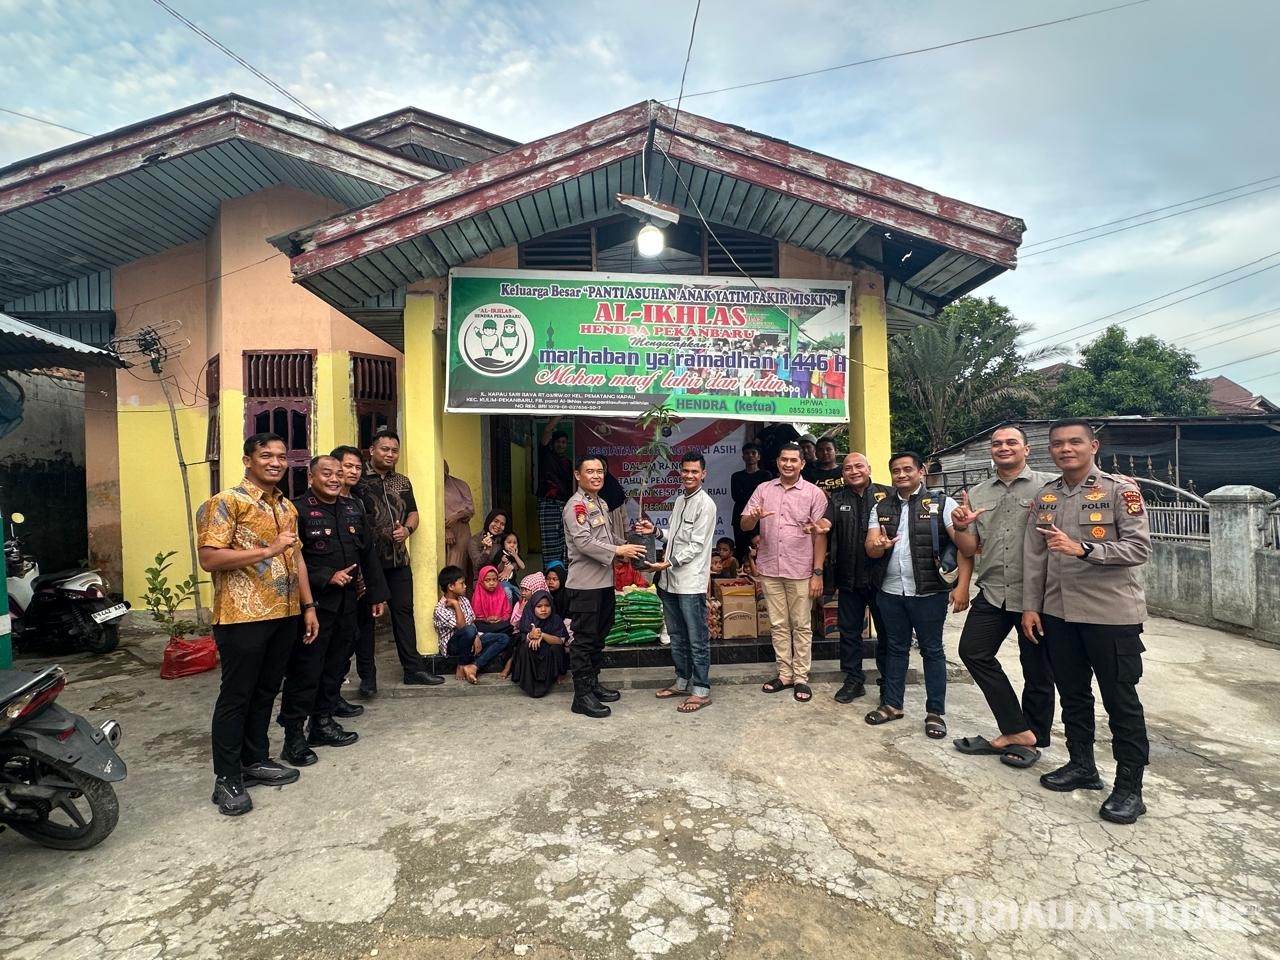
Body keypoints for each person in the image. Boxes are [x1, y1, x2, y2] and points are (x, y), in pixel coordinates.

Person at [1022, 419, 1152, 824]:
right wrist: (1031, 606)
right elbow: (1035, 557)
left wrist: (1084, 549)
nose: (1066, 449)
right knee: (1073, 694)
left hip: (1110, 615)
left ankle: (1130, 787)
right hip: (1059, 614)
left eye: (1074, 442)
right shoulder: (1046, 497)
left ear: (1092, 445)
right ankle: (1083, 765)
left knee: (1121, 701)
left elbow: (1138, 547)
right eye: (1058, 443)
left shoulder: (1120, 490)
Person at [196, 433, 319, 816]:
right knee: (237, 695)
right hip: (241, 616)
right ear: (247, 459)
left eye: (282, 456)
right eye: (266, 455)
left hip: (283, 614)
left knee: (266, 691)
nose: (276, 462)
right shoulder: (226, 502)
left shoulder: (286, 507)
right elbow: (209, 558)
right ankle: (227, 778)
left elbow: (295, 559)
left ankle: (255, 759)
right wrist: (267, 550)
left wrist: (308, 606)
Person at [948, 424, 1058, 768]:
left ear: (1026, 449)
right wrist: (963, 526)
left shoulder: (1050, 485)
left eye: (1011, 442)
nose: (1004, 447)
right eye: (997, 444)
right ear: (991, 452)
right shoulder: (978, 493)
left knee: (1038, 670)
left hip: (1038, 595)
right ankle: (1017, 729)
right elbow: (969, 548)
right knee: (973, 652)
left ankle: (1033, 737)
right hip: (994, 590)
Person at [277, 455, 388, 767]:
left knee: (336, 665)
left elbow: (367, 555)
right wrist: (327, 576)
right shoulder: (296, 509)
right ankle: (294, 736)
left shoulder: (353, 508)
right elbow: (289, 561)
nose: (335, 478)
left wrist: (376, 595)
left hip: (349, 603)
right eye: (327, 473)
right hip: (315, 605)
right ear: (311, 477)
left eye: (339, 473)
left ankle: (322, 724)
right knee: (306, 669)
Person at [864, 451, 959, 738]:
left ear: (921, 472)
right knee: (894, 647)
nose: (902, 475)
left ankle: (935, 712)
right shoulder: (880, 507)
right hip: (890, 591)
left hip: (929, 593)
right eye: (896, 471)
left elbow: (965, 547)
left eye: (908, 469)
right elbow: (870, 548)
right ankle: (892, 704)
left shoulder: (943, 503)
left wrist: (962, 587)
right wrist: (879, 545)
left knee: (932, 650)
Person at [563, 454, 652, 718]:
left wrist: (625, 549)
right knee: (584, 640)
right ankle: (581, 696)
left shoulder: (599, 502)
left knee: (598, 638)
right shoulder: (576, 506)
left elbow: (607, 536)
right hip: (585, 585)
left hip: (604, 583)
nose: (596, 476)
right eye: (589, 471)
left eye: (600, 471)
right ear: (578, 476)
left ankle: (593, 684)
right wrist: (618, 549)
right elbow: (584, 542)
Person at [742, 442, 829, 704]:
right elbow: (745, 523)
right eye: (784, 459)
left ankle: (801, 676)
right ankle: (785, 673)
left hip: (801, 569)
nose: (788, 464)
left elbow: (821, 536)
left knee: (801, 625)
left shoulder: (814, 494)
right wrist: (754, 517)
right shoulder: (763, 490)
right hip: (770, 567)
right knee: (778, 625)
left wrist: (818, 572)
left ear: (802, 463)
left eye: (794, 460)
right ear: (777, 462)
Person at [362, 429, 442, 687]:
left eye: (394, 450)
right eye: (384, 449)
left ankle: (413, 670)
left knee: (404, 613)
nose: (390, 454)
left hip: (398, 561)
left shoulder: (402, 482)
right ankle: (367, 677)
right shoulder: (357, 478)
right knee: (365, 619)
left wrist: (407, 530)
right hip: (367, 563)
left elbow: (414, 514)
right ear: (372, 450)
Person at [824, 452, 892, 704]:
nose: (853, 471)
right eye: (847, 468)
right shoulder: (836, 498)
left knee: (887, 633)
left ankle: (889, 682)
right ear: (842, 473)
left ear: (869, 468)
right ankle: (854, 679)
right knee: (849, 632)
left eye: (858, 466)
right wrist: (820, 525)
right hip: (848, 579)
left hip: (882, 579)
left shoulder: (889, 495)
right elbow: (826, 522)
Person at [652, 452, 717, 713]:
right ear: (680, 472)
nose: (689, 475)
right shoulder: (680, 500)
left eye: (694, 471)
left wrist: (668, 562)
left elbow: (696, 546)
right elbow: (675, 536)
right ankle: (682, 681)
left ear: (703, 474)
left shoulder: (706, 504)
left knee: (697, 638)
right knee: (676, 636)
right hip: (669, 582)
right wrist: (656, 532)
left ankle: (701, 689)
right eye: (685, 471)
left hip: (690, 582)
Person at [332, 444, 379, 700]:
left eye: (358, 467)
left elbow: (367, 547)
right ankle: (334, 692)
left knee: (366, 630)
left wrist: (375, 589)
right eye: (347, 466)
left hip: (361, 579)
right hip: (333, 584)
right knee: (342, 638)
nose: (353, 472)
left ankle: (368, 678)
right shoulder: (321, 501)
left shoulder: (359, 501)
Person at [433, 566, 510, 684]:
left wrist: (476, 637)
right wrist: (455, 605)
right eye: (462, 583)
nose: (465, 586)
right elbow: (463, 627)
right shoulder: (440, 609)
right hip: (453, 646)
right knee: (468, 630)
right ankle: (462, 664)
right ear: (451, 587)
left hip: (471, 639)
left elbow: (472, 623)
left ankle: (474, 667)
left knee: (503, 638)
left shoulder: (464, 600)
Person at [510, 589, 570, 698]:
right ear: (533, 607)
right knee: (523, 647)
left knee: (556, 648)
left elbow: (560, 641)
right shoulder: (528, 618)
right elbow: (519, 637)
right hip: (532, 652)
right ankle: (527, 679)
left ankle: (557, 674)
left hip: (549, 654)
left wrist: (543, 636)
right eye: (539, 606)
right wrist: (530, 636)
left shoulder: (555, 619)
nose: (543, 609)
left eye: (547, 606)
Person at [536, 417, 574, 565]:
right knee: (549, 544)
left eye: (564, 442)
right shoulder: (546, 454)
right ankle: (551, 577)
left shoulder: (568, 462)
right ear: (553, 442)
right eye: (558, 441)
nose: (561, 444)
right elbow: (546, 431)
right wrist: (560, 413)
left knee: (565, 544)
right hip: (548, 505)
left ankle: (562, 577)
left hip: (564, 505)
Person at [730, 442, 773, 558]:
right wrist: (755, 495)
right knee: (741, 550)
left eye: (753, 453)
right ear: (743, 457)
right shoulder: (736, 476)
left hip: (760, 518)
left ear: (759, 456)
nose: (750, 456)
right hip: (740, 517)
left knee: (760, 549)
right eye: (747, 453)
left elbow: (766, 497)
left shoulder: (766, 475)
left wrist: (749, 495)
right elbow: (737, 497)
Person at [443, 461, 475, 571]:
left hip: (460, 531)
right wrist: (446, 530)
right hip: (440, 530)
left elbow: (470, 510)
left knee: (457, 566)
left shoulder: (460, 485)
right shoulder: (428, 488)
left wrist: (455, 517)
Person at [468, 508, 512, 581]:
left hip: (502, 580)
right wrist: (487, 551)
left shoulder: (504, 540)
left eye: (502, 524)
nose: (498, 526)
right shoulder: (475, 541)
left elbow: (516, 557)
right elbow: (477, 565)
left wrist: (511, 567)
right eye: (496, 521)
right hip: (482, 583)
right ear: (489, 520)